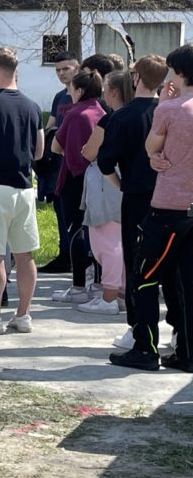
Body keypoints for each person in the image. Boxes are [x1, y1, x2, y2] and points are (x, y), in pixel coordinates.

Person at [110, 45, 193, 371]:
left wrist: (168, 102)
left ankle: (145, 348)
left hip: (168, 205)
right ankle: (187, 351)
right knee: (187, 281)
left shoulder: (169, 109)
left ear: (180, 72)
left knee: (143, 276)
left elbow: (151, 147)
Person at [97, 54, 168, 350]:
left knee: (137, 264)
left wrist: (122, 184)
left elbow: (104, 162)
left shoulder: (121, 117)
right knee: (170, 265)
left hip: (137, 196)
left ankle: (137, 329)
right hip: (170, 197)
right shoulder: (169, 111)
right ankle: (176, 330)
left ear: (136, 79)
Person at [0, 48, 43, 333]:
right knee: (24, 255)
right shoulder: (32, 105)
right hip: (26, 187)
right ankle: (24, 314)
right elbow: (39, 151)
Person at [75, 70, 131, 315]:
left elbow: (89, 152)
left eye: (106, 88)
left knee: (106, 242)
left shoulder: (109, 121)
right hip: (127, 183)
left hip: (106, 182)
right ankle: (120, 292)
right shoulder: (140, 115)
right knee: (121, 240)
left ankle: (108, 297)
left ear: (114, 92)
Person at [50, 69, 105, 304]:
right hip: (101, 177)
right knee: (99, 231)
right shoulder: (102, 111)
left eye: (71, 88)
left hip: (75, 179)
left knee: (76, 231)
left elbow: (57, 147)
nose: (68, 92)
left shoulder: (75, 115)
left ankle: (78, 285)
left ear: (79, 91)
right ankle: (99, 284)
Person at [39, 51, 80, 273]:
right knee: (59, 209)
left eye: (67, 68)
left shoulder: (86, 96)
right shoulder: (59, 97)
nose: (62, 73)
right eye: (58, 70)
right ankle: (64, 254)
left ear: (78, 68)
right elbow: (51, 124)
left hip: (77, 161)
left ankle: (77, 257)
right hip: (57, 161)